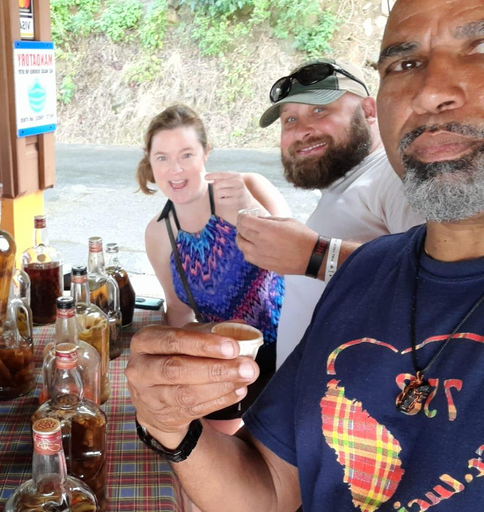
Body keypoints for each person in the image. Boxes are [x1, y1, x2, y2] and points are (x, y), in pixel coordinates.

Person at [126, 0, 484, 509]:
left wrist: (313, 254)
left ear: (366, 109)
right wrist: (168, 425)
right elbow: (270, 487)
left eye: (479, 46)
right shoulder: (367, 268)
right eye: (405, 64)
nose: (431, 92)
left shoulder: (383, 183)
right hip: (273, 399)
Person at [235, 58, 423, 368]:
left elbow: (439, 288)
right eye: (289, 120)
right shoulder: (349, 185)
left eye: (319, 111)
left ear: (369, 110)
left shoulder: (396, 177)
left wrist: (315, 255)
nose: (301, 132)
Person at [137, 104, 289, 434]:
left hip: (289, 353)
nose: (175, 169)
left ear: (206, 153)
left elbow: (299, 260)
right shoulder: (159, 233)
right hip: (223, 365)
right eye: (162, 157)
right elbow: (178, 311)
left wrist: (248, 211)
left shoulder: (250, 186)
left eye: (186, 155)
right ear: (149, 162)